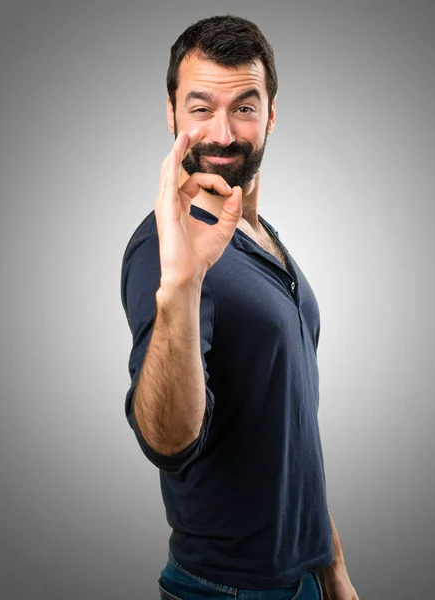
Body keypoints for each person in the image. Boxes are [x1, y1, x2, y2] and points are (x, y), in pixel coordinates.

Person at [120, 14, 360, 600]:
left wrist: (333, 572)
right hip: (225, 589)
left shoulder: (263, 236)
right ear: (172, 114)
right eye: (201, 108)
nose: (223, 133)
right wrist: (182, 282)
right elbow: (167, 441)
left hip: (305, 579)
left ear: (272, 114)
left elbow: (293, 429)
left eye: (245, 107)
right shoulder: (164, 247)